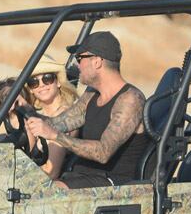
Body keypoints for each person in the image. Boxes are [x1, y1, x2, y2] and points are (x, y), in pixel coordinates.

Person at [25, 31, 149, 189]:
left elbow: (103, 152)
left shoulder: (130, 100)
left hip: (113, 186)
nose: (77, 65)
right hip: (81, 177)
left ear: (97, 61)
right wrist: (26, 114)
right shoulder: (92, 93)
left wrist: (54, 135)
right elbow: (62, 122)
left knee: (43, 192)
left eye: (80, 58)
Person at [24, 54, 80, 179]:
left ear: (58, 82)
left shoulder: (64, 117)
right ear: (31, 89)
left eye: (47, 78)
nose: (41, 85)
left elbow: (51, 173)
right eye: (34, 82)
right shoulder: (39, 117)